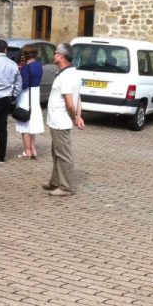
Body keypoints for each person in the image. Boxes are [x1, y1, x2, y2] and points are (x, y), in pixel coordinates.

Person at [43, 43, 85, 197]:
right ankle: (55, 181)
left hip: (61, 121)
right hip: (56, 121)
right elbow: (78, 97)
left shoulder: (67, 76)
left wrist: (75, 118)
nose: (54, 55)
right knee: (56, 153)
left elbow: (69, 102)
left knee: (63, 154)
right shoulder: (70, 73)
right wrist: (79, 116)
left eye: (55, 53)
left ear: (61, 56)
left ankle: (66, 187)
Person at [14, 44, 45, 159]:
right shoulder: (38, 65)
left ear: (25, 55)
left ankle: (27, 150)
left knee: (25, 123)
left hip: (27, 95)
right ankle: (33, 149)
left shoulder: (26, 67)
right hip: (35, 93)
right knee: (32, 123)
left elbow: (24, 84)